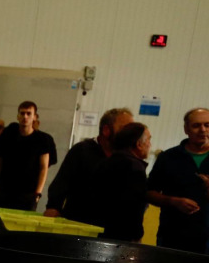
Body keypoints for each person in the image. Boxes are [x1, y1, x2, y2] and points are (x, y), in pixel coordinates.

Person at [43, 107, 134, 219]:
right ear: (106, 130)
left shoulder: (128, 158)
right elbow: (61, 183)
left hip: (110, 227)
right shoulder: (82, 150)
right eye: (125, 129)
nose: (131, 135)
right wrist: (53, 207)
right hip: (78, 222)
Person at [67, 122, 150, 241]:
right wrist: (136, 235)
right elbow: (133, 209)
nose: (150, 144)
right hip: (121, 237)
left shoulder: (104, 163)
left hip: (97, 232)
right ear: (139, 144)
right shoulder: (135, 168)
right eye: (148, 140)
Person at [147, 108, 209, 252]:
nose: (203, 130)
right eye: (196, 125)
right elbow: (149, 192)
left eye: (207, 125)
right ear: (186, 129)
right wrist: (173, 201)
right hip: (172, 238)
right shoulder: (168, 157)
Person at [0, 100, 54, 211]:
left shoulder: (43, 140)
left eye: (29, 113)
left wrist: (38, 193)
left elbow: (44, 168)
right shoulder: (7, 135)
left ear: (35, 117)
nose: (25, 116)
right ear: (18, 116)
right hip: (4, 190)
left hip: (28, 193)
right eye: (22, 113)